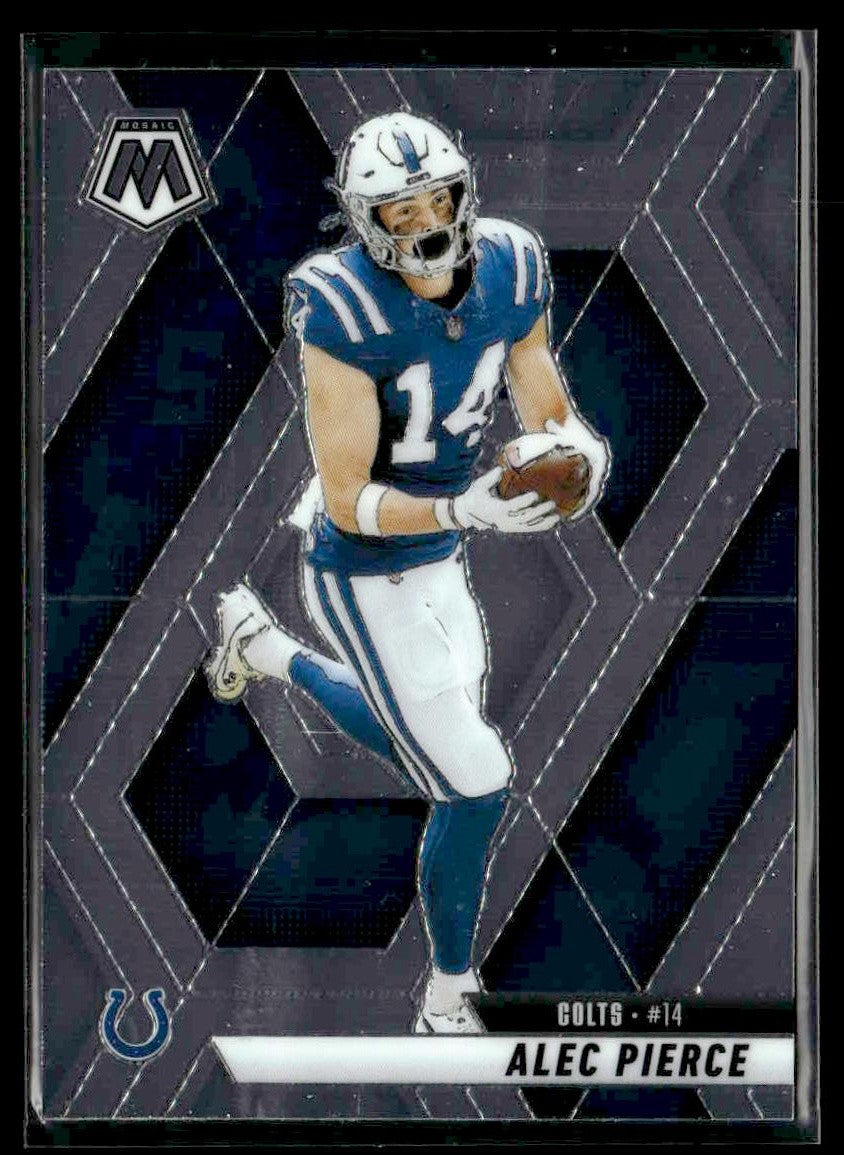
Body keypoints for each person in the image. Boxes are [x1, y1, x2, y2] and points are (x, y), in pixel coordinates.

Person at [205, 112, 610, 1033]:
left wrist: (578, 452)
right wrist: (464, 509)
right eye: (402, 209)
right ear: (365, 221)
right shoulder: (338, 306)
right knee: (474, 775)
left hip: (437, 555)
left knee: (431, 738)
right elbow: (350, 498)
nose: (429, 219)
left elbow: (544, 398)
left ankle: (261, 647)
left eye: (440, 197)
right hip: (357, 565)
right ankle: (447, 994)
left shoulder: (512, 264)